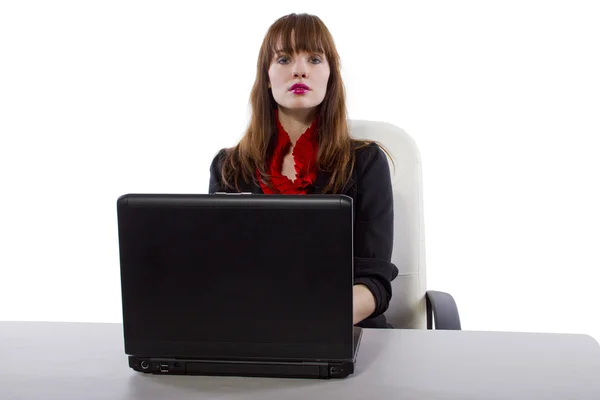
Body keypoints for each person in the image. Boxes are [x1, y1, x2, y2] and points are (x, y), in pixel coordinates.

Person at [208, 13, 399, 328]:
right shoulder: (229, 167)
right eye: (283, 59)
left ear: (330, 76)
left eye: (313, 59)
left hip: (342, 328)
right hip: (253, 330)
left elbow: (374, 283)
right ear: (266, 77)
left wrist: (306, 320)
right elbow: (220, 273)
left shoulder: (366, 162)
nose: (299, 70)